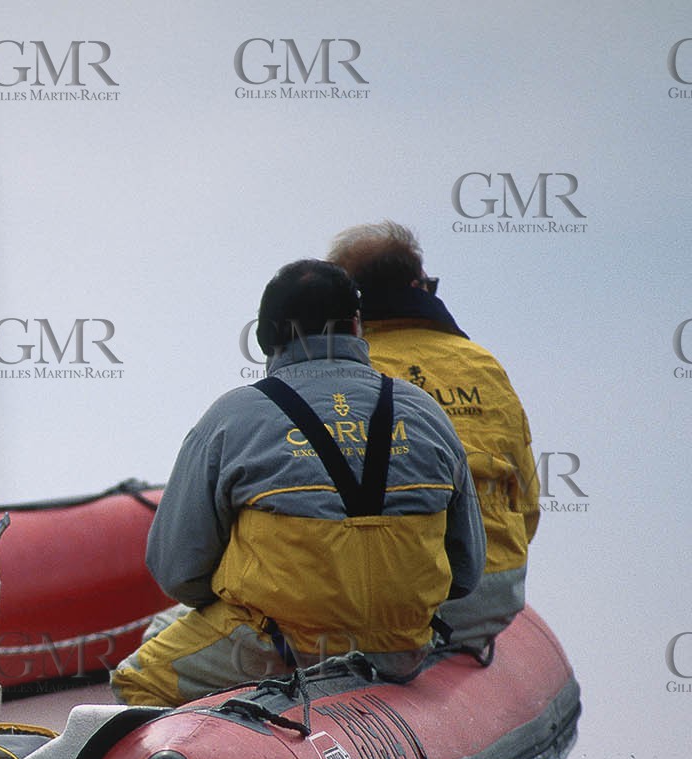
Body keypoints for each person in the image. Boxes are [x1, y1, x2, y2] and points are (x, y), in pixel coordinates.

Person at [110, 260, 485, 708]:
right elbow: (467, 572)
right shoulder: (425, 410)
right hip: (398, 653)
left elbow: (177, 571)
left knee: (138, 679)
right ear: (357, 326)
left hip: (278, 649)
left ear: (265, 338)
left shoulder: (233, 418)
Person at [328, 220, 539, 647]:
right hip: (492, 593)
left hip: (387, 602)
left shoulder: (338, 376)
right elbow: (528, 504)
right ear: (419, 286)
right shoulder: (482, 363)